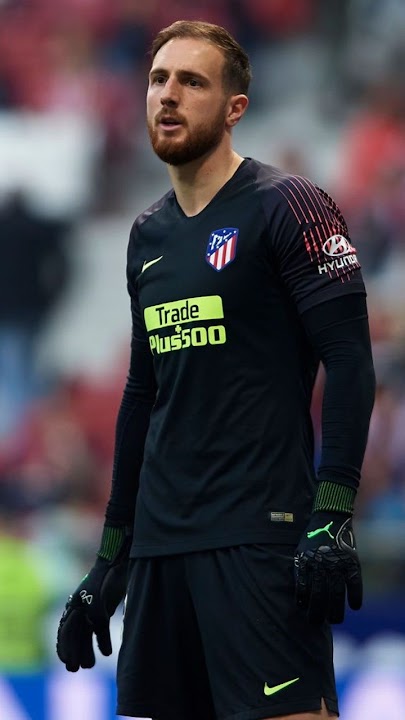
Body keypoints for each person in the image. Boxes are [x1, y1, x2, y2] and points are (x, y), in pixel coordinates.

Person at [56, 20, 376, 720]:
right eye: (158, 79)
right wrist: (111, 558)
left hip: (259, 537)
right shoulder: (147, 233)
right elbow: (143, 395)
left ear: (235, 108)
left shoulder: (288, 206)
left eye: (192, 82)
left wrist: (331, 515)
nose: (168, 95)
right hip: (163, 549)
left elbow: (350, 361)